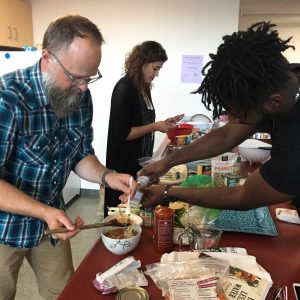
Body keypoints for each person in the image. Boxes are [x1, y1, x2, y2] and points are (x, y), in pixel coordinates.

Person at [0, 15, 136, 300]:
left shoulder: (79, 96)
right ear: (47, 57)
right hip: (5, 227)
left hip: (52, 221)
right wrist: (44, 212)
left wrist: (107, 176)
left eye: (91, 76)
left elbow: (80, 154)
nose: (84, 86)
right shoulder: (8, 97)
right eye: (76, 76)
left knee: (65, 293)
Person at [139, 22, 300, 215]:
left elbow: (242, 196)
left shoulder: (295, 141)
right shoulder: (278, 81)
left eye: (239, 114)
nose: (231, 120)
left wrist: (167, 191)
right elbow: (226, 136)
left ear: (274, 102)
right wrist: (166, 162)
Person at [105, 41, 183, 215]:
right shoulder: (124, 88)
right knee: (121, 214)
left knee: (136, 207)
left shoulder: (143, 88)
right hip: (123, 164)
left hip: (139, 162)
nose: (157, 74)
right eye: (155, 69)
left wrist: (164, 123)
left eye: (159, 69)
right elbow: (123, 133)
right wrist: (156, 126)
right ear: (142, 63)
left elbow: (142, 122)